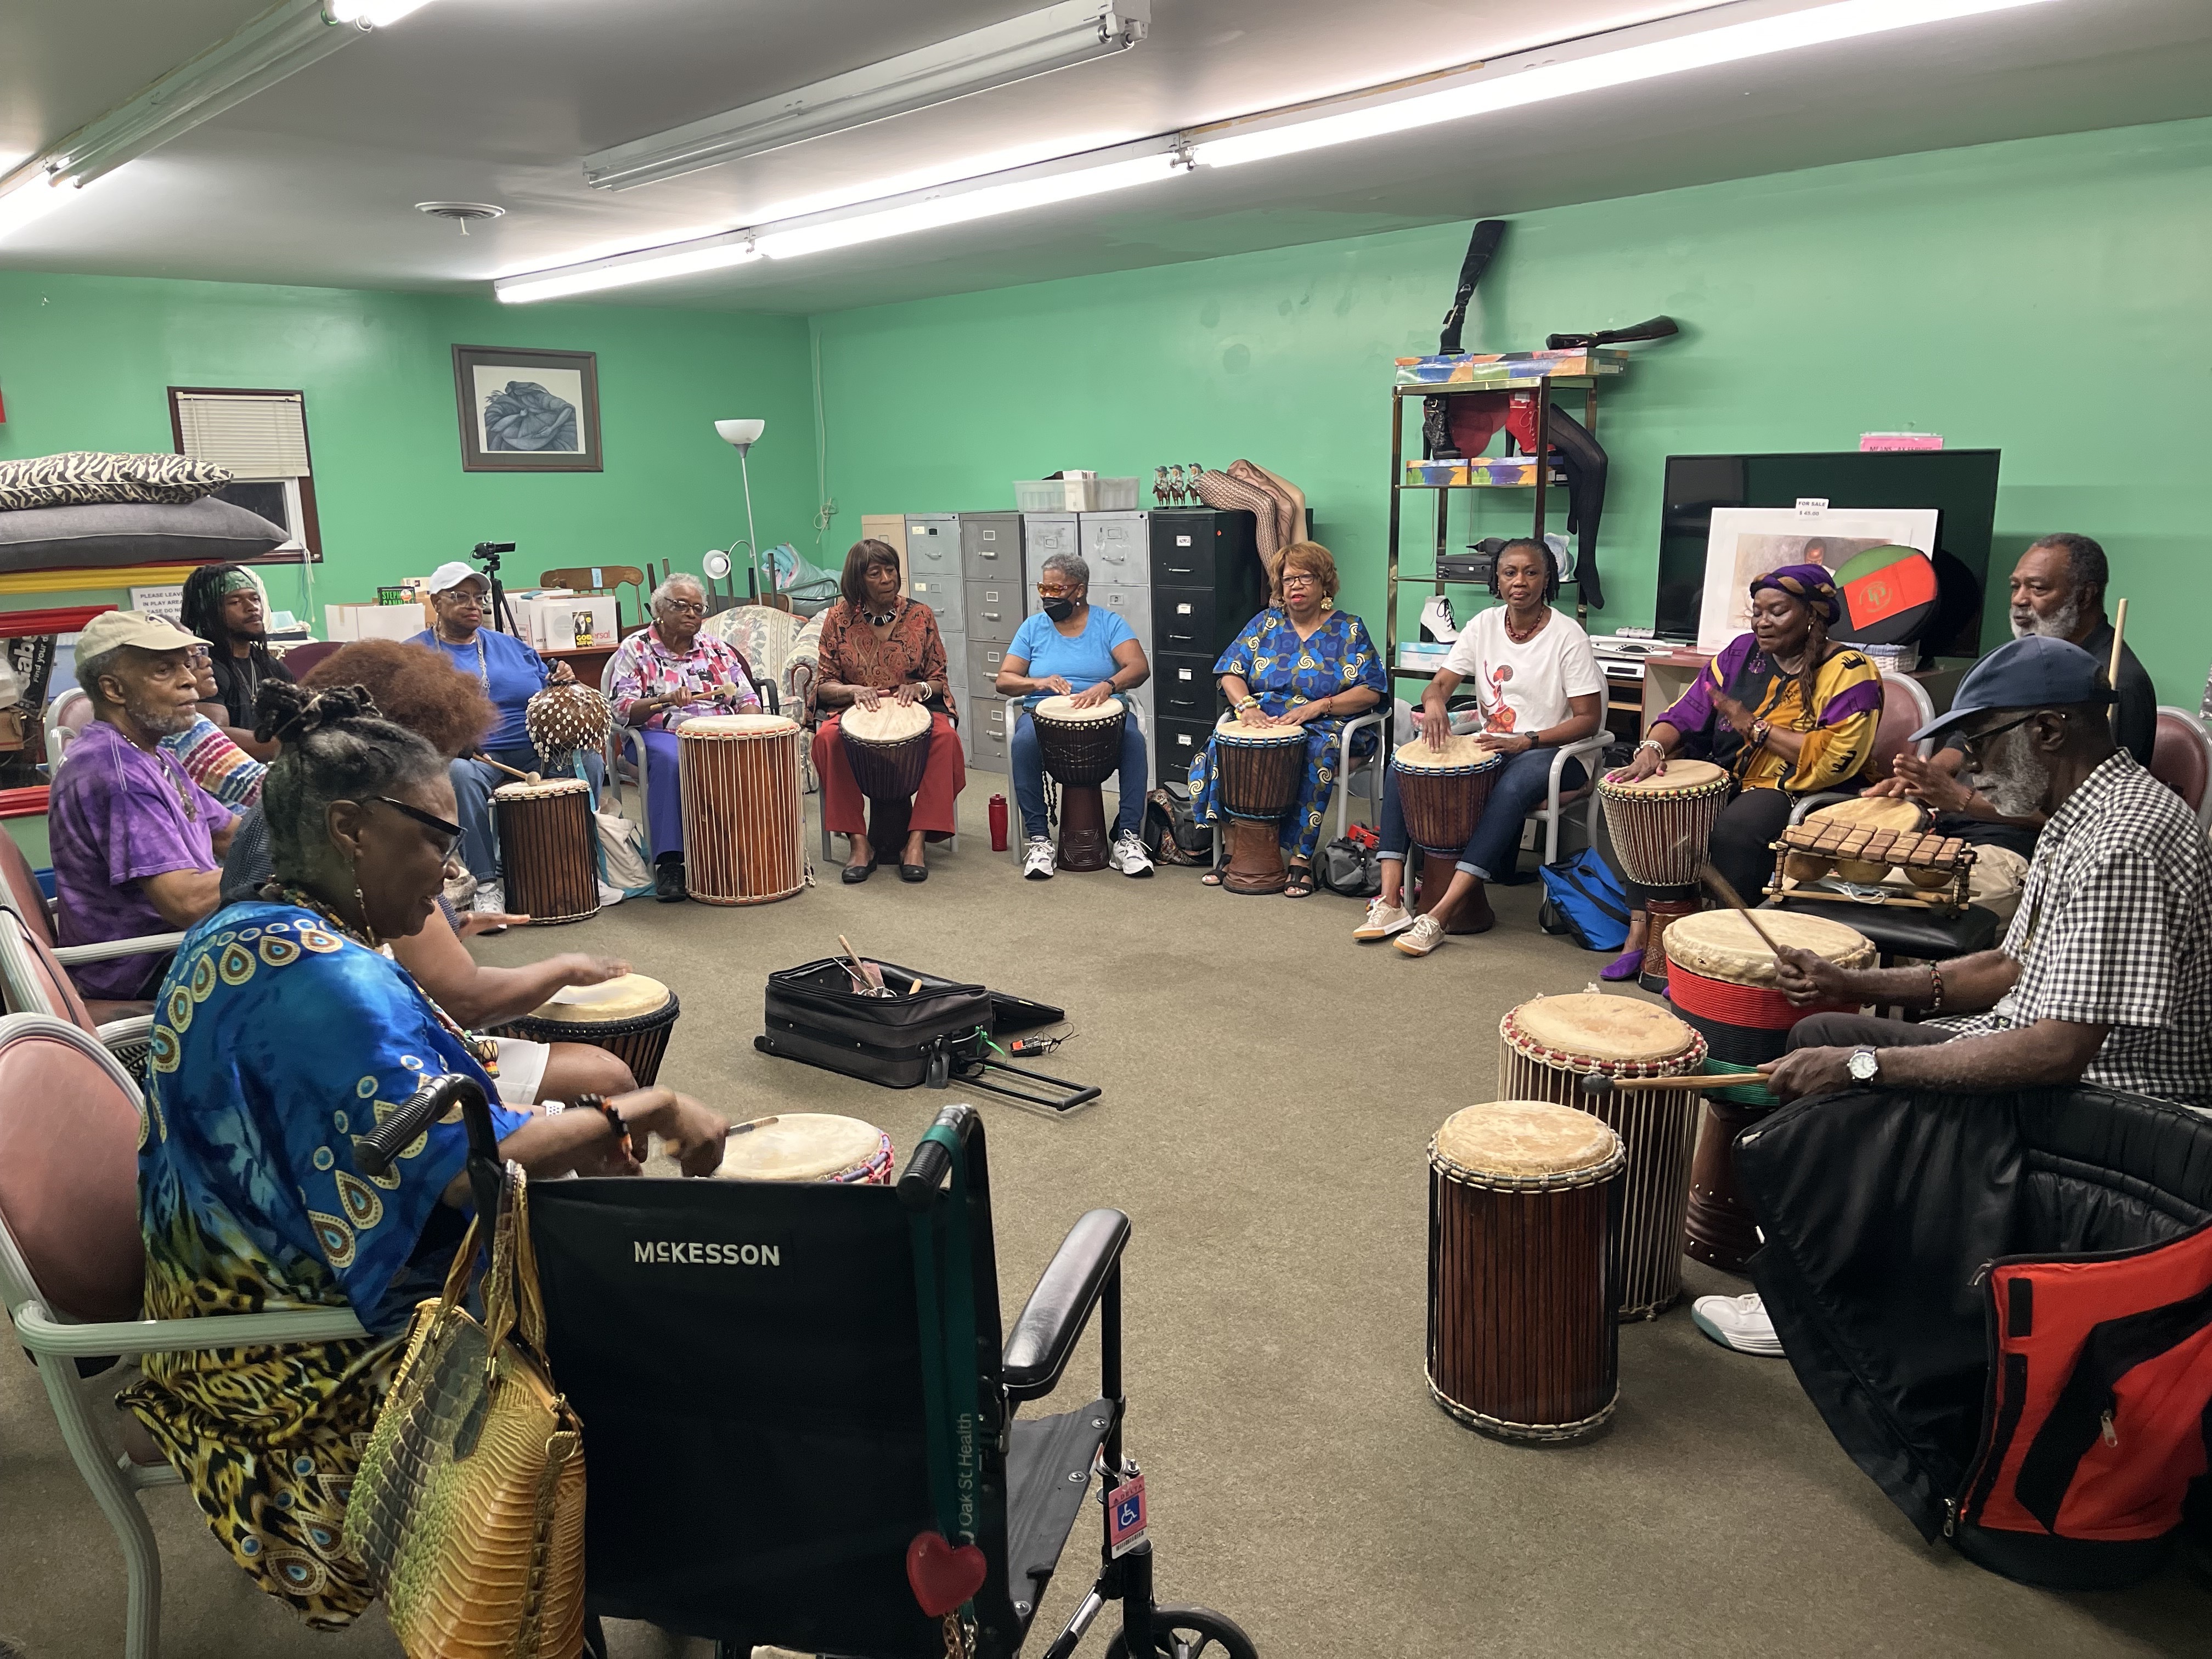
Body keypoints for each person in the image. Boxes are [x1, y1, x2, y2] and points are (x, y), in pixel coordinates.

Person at [120, 681, 729, 1627]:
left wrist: (583, 1120)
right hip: (298, 1348)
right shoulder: (322, 977)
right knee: (645, 1319)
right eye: (436, 837)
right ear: (351, 826)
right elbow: (461, 1169)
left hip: (262, 1281)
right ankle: (593, 1575)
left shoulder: (258, 928)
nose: (450, 871)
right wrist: (644, 1106)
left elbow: (428, 1088)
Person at [1691, 637, 2211, 1359]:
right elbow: (2004, 969)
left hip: (2121, 1101)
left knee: (1848, 1070)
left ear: (2048, 731)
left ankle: (1827, 1301)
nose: (1971, 766)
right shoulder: (2082, 813)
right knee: (1825, 1032)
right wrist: (1854, 984)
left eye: (1980, 743)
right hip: (2046, 1045)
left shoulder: (2125, 839)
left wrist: (1868, 1065)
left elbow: (2059, 1052)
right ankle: (1819, 1276)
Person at [221, 639, 637, 1109]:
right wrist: (566, 968)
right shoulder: (337, 943)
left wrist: (442, 925)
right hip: (337, 1093)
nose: (451, 867)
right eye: (433, 764)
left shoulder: (287, 805)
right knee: (608, 1078)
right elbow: (462, 1000)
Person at [1597, 564, 1880, 980]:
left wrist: (1751, 724)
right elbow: (1687, 711)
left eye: (1777, 611)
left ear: (1813, 614)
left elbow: (1835, 756)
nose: (1763, 622)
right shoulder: (1739, 654)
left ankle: (1723, 952)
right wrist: (1653, 748)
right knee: (1649, 803)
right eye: (1758, 611)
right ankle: (1646, 935)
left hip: (1794, 787)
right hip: (1729, 774)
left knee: (1737, 828)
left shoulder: (1851, 671)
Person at [1356, 539, 1603, 954]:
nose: (1519, 582)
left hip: (1560, 753)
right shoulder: (1484, 626)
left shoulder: (1567, 636)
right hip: (1495, 745)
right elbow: (1440, 685)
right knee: (1404, 766)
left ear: (1548, 580)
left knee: (1510, 788)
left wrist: (1527, 740)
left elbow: (1588, 720)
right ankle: (1392, 901)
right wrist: (1434, 703)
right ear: (1497, 579)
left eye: (1530, 572)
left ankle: (1440, 914)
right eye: (1509, 573)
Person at [1860, 533, 2157, 856]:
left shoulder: (2114, 682)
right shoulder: (2027, 656)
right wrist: (1927, 778)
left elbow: (2082, 811)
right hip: (1955, 828)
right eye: (2016, 586)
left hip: (2017, 846)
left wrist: (1960, 798)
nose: (2019, 599)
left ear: (2084, 597)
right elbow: (1973, 732)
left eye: (2038, 588)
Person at [48, 612, 236, 1002]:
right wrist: (292, 860)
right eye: (164, 670)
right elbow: (185, 902)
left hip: (175, 947)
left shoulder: (151, 755)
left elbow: (231, 835)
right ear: (114, 690)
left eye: (186, 664)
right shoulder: (115, 772)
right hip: (142, 966)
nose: (188, 679)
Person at [1189, 541, 1387, 898]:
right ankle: (1234, 849)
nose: (1295, 586)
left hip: (1329, 721)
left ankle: (1301, 858)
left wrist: (1319, 707)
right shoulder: (1265, 624)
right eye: (1287, 579)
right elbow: (1230, 673)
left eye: (1305, 578)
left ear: (1324, 583)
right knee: (1220, 748)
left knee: (1314, 751)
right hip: (1266, 716)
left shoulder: (1350, 630)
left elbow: (1372, 691)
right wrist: (1247, 707)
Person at [408, 560, 596, 911]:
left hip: (535, 749)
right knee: (459, 776)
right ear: (436, 602)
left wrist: (563, 677)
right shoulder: (415, 655)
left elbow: (549, 684)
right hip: (471, 757)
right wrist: (446, 741)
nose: (473, 605)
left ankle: (580, 867)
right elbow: (402, 716)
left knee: (588, 761)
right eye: (460, 596)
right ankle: (485, 883)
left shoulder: (511, 647)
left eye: (479, 598)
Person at [810, 540, 966, 884]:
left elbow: (938, 678)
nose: (886, 579)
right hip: (857, 709)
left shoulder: (920, 614)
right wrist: (853, 691)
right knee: (827, 739)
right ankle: (858, 842)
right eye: (875, 573)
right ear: (857, 580)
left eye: (891, 570)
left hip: (912, 710)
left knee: (945, 738)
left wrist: (921, 688)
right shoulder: (837, 619)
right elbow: (823, 685)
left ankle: (916, 842)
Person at [997, 551, 1154, 880]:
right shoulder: (1033, 628)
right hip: (1042, 713)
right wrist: (1037, 681)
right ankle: (1039, 839)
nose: (1047, 596)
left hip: (1103, 714)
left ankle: (1128, 838)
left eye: (1057, 590)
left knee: (1133, 740)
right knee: (1024, 742)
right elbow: (1005, 680)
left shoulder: (1109, 623)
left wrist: (1108, 686)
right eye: (1044, 588)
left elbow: (1139, 668)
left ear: (1079, 590)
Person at [607, 573, 762, 900]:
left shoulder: (716, 649)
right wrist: (662, 700)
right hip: (659, 734)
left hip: (718, 732)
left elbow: (748, 699)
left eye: (698, 608)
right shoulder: (636, 650)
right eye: (682, 606)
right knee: (673, 760)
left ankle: (746, 853)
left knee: (758, 750)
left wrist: (748, 730)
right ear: (659, 610)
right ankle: (670, 862)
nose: (692, 614)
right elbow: (621, 710)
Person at [180, 563, 294, 761]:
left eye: (255, 598)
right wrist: (289, 746)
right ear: (209, 611)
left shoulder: (273, 667)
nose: (252, 607)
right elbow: (211, 739)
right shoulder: (204, 669)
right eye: (235, 602)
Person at [160, 641, 267, 810]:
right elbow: (272, 792)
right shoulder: (181, 728)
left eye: (202, 652)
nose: (207, 661)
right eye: (191, 660)